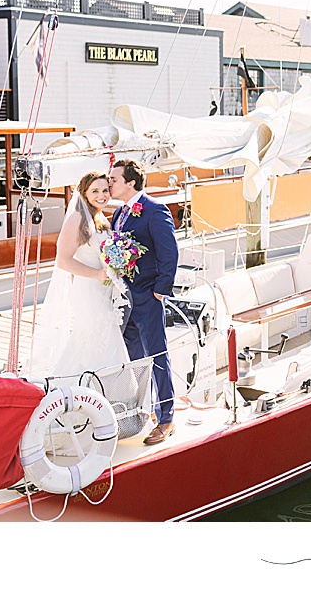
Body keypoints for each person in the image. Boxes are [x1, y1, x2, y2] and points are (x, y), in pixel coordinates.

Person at [22, 172, 130, 379]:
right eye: (95, 191)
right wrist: (98, 273)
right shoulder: (77, 218)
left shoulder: (99, 217)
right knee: (89, 339)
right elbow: (64, 261)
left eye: (105, 190)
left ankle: (105, 390)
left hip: (104, 291)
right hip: (88, 291)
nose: (102, 195)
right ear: (84, 193)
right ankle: (75, 386)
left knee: (105, 339)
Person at [109, 159, 179, 445]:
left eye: (114, 179)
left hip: (149, 297)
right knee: (136, 360)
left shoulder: (154, 209)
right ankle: (144, 410)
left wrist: (160, 291)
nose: (109, 183)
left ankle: (167, 419)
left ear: (130, 183)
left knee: (157, 357)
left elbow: (169, 253)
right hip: (125, 300)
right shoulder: (117, 214)